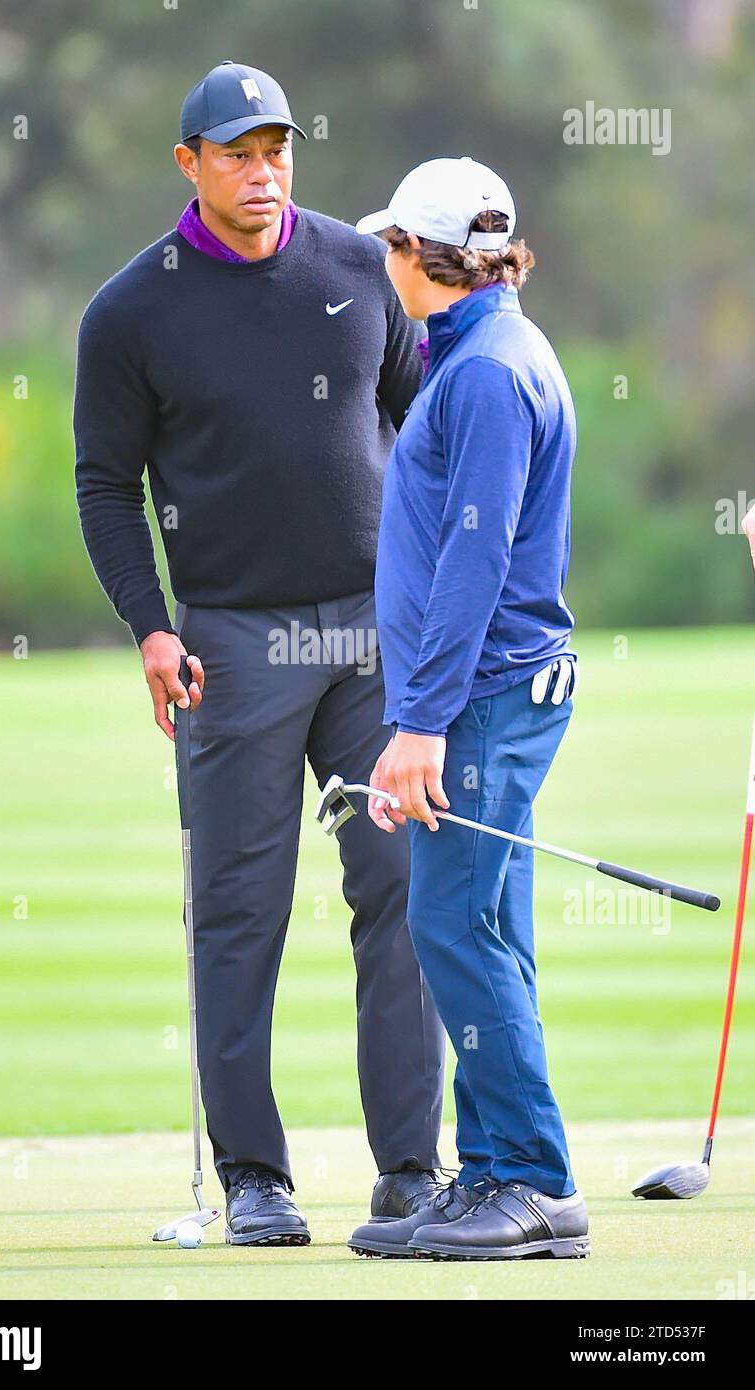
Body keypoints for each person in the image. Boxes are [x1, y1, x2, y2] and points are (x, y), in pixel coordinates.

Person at [73, 62, 446, 1247]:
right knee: (239, 911)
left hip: (367, 632)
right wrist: (152, 622)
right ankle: (254, 1176)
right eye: (236, 151)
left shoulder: (354, 264)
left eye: (276, 147)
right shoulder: (132, 311)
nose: (262, 169)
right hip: (228, 643)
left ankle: (409, 1169)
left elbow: (416, 420)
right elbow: (104, 483)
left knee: (398, 897)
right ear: (189, 164)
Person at [348, 158, 590, 1260]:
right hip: (487, 692)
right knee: (488, 927)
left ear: (424, 256)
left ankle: (534, 1179)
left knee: (450, 925)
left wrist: (419, 723)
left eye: (392, 244)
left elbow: (474, 557)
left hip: (484, 695)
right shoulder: (482, 354)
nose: (384, 260)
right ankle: (489, 1167)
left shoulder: (485, 372)